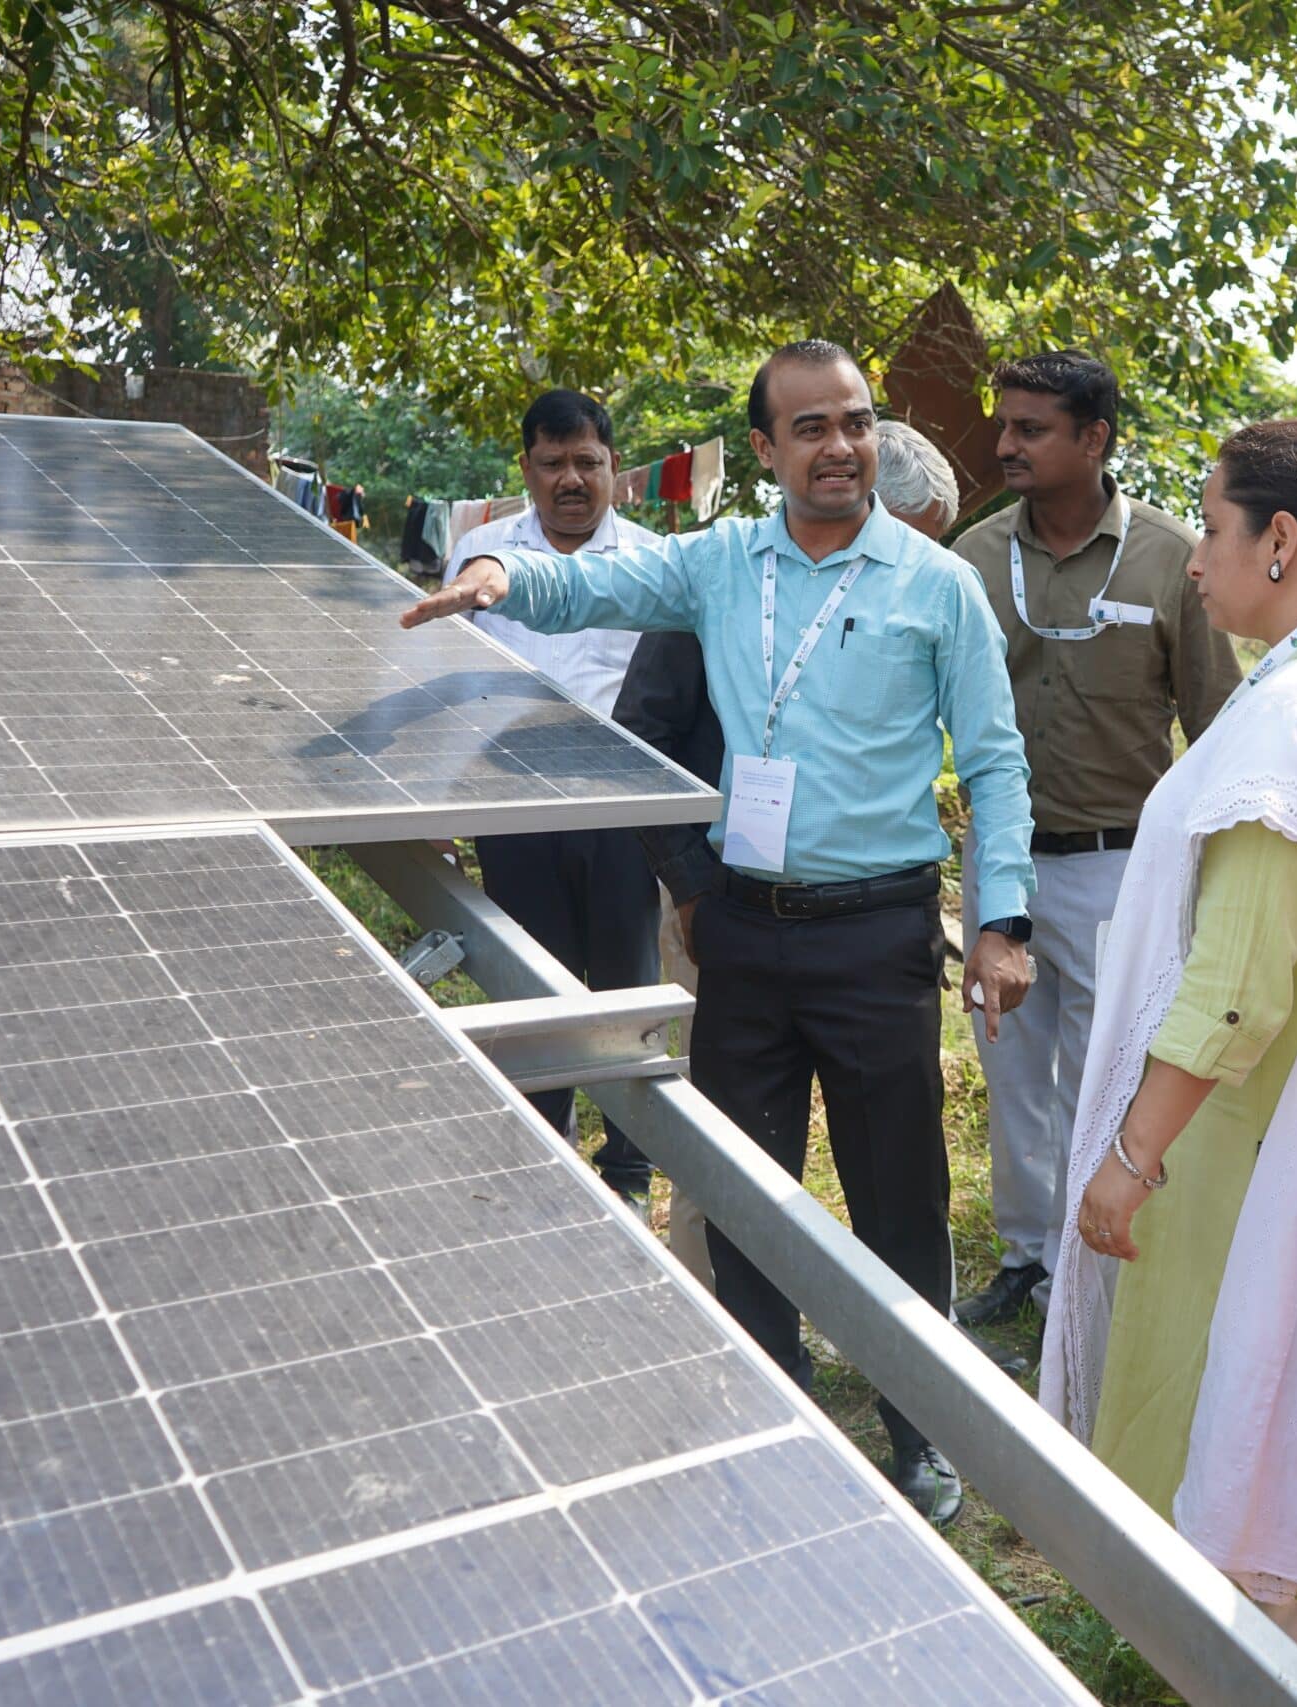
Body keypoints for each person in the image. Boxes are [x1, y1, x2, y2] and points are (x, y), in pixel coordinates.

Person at [403, 341, 1037, 1526]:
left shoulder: (934, 584)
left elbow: (996, 764)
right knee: (745, 1191)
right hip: (743, 933)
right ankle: (772, 1412)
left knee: (897, 1197)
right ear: (764, 450)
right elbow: (583, 582)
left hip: (878, 936)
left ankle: (921, 1429)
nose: (839, 447)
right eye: (810, 428)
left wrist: (999, 921)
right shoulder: (715, 564)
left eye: (854, 422)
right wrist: (493, 570)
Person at [1040, 418, 1297, 1685]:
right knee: (1280, 1417)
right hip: (1294, 1111)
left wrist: (1130, 1152)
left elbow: (1235, 986)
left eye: (1210, 529)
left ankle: (1257, 1675)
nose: (1193, 562)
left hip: (1247, 1131)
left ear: (1279, 542)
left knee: (1252, 1412)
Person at [613, 416, 966, 1289]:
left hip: (857, 923)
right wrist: (694, 892)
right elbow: (642, 731)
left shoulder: (920, 591)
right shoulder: (727, 575)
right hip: (718, 897)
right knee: (733, 1162)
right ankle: (736, 1347)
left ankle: (913, 1389)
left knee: (892, 1169)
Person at [951, 350, 1240, 1327]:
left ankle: (1100, 1250)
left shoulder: (1168, 557)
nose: (1006, 446)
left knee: (1111, 1069)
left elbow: (1216, 722)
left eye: (1031, 429)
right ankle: (1029, 1256)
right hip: (1001, 863)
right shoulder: (974, 560)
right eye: (1005, 426)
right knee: (1014, 1071)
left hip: (1126, 866)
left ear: (1095, 439)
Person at [444, 389, 663, 1211]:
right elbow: (451, 681)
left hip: (620, 809)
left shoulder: (650, 560)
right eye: (552, 463)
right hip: (513, 804)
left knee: (624, 986)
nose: (571, 479)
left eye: (587, 461)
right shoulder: (479, 553)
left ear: (615, 468)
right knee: (532, 983)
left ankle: (631, 1170)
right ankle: (546, 1155)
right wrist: (445, 812)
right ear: (527, 469)